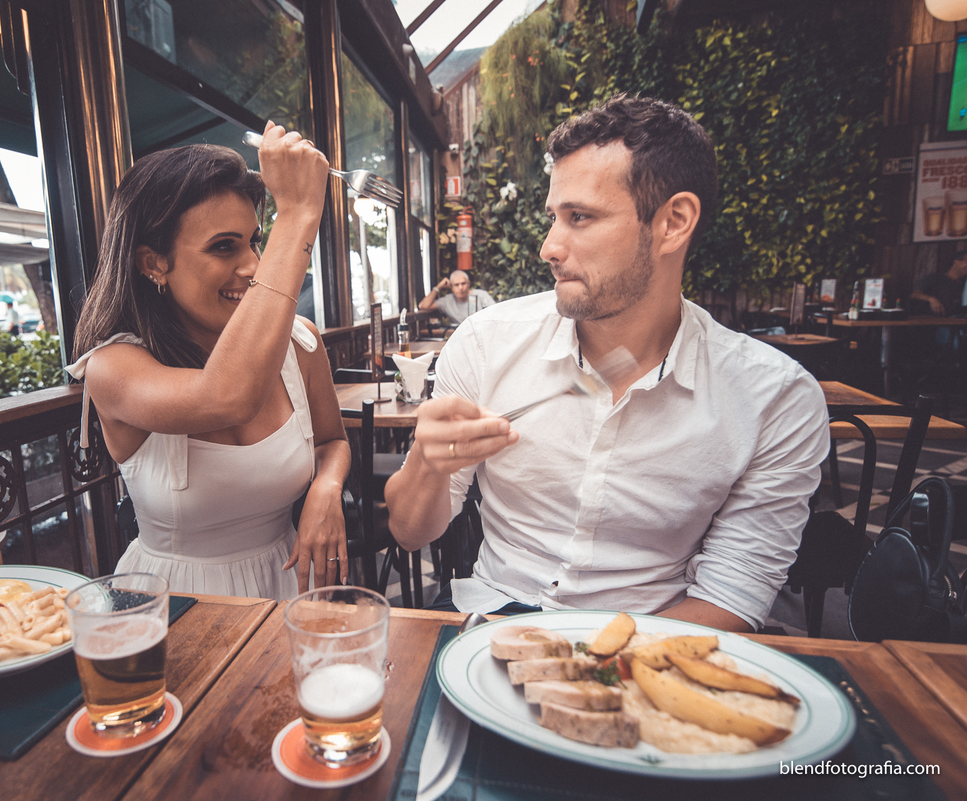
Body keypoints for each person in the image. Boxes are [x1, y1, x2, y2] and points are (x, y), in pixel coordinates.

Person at [385, 95, 829, 633]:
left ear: (673, 223)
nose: (549, 247)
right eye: (553, 218)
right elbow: (409, 532)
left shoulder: (774, 399)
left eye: (580, 217)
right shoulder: (487, 343)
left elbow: (732, 599)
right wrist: (428, 464)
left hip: (650, 640)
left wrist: (572, 662)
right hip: (491, 618)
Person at [67, 124, 349, 602]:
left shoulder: (300, 344)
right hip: (174, 606)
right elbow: (228, 396)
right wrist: (298, 213)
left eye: (255, 241)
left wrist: (327, 486)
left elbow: (332, 440)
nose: (253, 265)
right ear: (153, 263)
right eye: (223, 246)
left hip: (289, 587)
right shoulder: (112, 368)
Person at [418, 269, 495, 325]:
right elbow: (423, 306)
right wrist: (438, 287)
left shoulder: (481, 295)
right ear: (452, 287)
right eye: (456, 285)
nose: (460, 287)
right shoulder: (448, 300)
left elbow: (495, 312)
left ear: (468, 284)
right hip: (459, 337)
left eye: (463, 283)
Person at [910, 252, 967, 317]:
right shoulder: (934, 278)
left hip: (958, 320)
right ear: (956, 261)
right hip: (933, 320)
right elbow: (915, 295)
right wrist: (931, 299)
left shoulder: (964, 283)